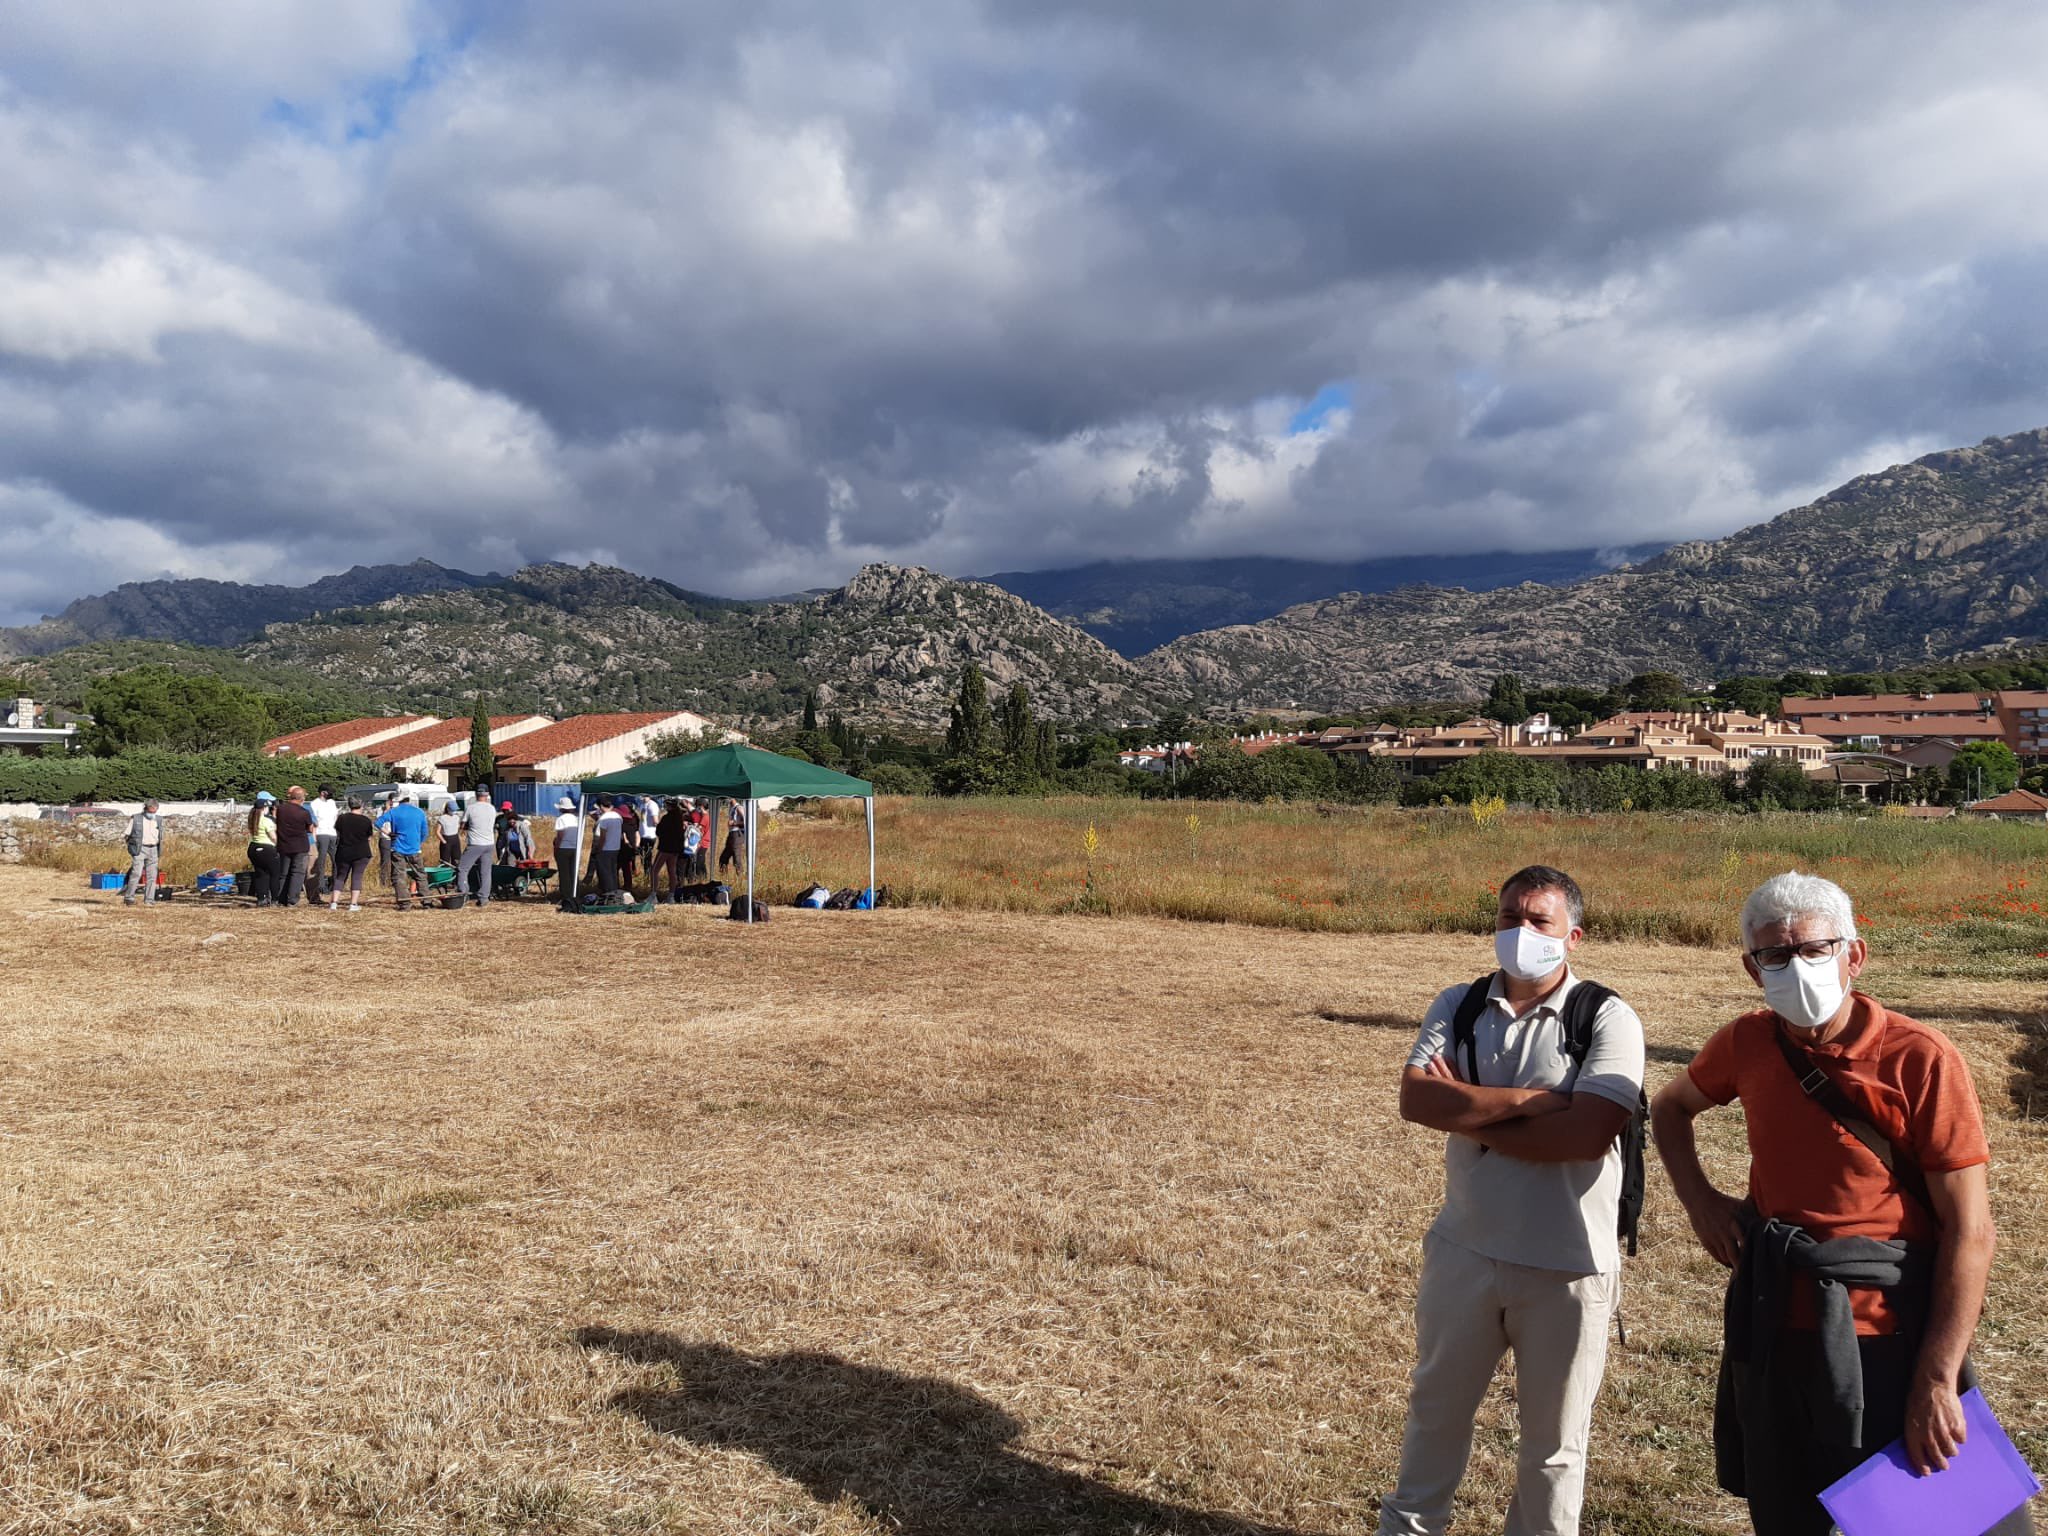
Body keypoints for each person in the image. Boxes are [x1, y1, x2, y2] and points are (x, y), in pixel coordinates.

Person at [1649, 872, 2031, 1536]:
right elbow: (1671, 1107)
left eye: (1814, 949)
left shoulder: (1922, 1059)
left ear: (1853, 955)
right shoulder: (1747, 1043)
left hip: (1887, 1336)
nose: (1796, 967)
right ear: (1752, 967)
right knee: (1787, 1516)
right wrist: (1701, 1202)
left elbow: (1971, 1232)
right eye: (1776, 955)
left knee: (1928, 1521)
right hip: (1773, 1327)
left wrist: (1936, 1380)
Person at [1379, 865, 1645, 1536]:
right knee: (1434, 1413)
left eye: (1538, 921)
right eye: (1508, 918)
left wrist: (1465, 1110)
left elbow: (1588, 1133)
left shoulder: (1608, 1018)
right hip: (1465, 1250)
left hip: (1569, 1267)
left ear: (1573, 936)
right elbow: (1416, 1100)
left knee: (1555, 1449)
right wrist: (1533, 1104)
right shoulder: (1459, 1004)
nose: (1520, 932)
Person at [376, 791, 430, 911]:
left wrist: (389, 833)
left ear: (398, 801)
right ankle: (427, 901)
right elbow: (425, 832)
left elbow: (378, 822)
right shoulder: (419, 812)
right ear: (409, 800)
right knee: (420, 875)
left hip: (398, 848)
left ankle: (405, 904)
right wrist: (418, 842)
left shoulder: (394, 812)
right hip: (414, 849)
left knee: (399, 876)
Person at [328, 795, 376, 913]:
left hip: (344, 851)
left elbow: (338, 832)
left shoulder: (342, 818)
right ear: (361, 805)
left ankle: (334, 902)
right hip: (361, 852)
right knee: (357, 876)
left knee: (340, 876)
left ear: (349, 805)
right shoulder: (366, 820)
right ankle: (353, 904)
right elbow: (369, 836)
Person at [274, 784, 315, 907]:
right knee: (297, 873)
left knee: (283, 873)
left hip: (283, 845)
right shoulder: (304, 812)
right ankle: (292, 899)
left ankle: (281, 899)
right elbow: (310, 829)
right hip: (300, 846)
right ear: (301, 798)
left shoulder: (280, 809)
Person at [122, 798, 165, 906]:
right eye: (151, 811)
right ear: (146, 808)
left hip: (154, 849)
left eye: (154, 811)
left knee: (152, 876)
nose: (152, 813)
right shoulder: (136, 818)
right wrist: (132, 848)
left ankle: (149, 900)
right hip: (140, 849)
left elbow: (161, 836)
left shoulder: (159, 820)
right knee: (136, 873)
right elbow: (126, 835)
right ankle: (129, 898)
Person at [460, 788, 499, 906]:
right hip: (489, 843)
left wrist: (465, 828)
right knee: (486, 871)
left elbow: (463, 824)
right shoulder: (492, 808)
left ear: (476, 795)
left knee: (463, 868)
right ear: (487, 795)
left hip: (475, 843)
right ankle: (484, 898)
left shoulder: (471, 808)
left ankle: (463, 894)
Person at [246, 792, 282, 907]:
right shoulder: (266, 821)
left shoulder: (252, 819)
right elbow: (273, 836)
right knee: (275, 875)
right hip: (267, 849)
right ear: (264, 808)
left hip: (253, 848)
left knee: (260, 874)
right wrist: (279, 846)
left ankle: (261, 898)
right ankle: (275, 900)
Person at [652, 797, 688, 900]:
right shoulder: (679, 818)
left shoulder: (666, 818)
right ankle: (671, 895)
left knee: (654, 870)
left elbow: (659, 832)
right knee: (672, 871)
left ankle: (653, 895)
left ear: (668, 806)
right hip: (675, 849)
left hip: (665, 848)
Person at [309, 783, 340, 898]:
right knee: (320, 862)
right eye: (328, 792)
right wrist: (314, 837)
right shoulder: (314, 804)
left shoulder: (332, 803)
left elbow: (335, 817)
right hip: (321, 834)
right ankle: (320, 885)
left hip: (332, 833)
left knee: (336, 860)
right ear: (322, 793)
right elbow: (314, 822)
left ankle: (336, 884)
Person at [552, 795, 583, 911]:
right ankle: (576, 895)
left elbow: (560, 836)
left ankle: (567, 897)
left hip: (564, 848)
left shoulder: (561, 819)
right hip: (575, 848)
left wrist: (556, 848)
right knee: (574, 873)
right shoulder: (576, 819)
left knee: (564, 874)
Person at [592, 794, 624, 901]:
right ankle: (615, 892)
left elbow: (602, 837)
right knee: (613, 872)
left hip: (605, 849)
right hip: (616, 848)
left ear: (601, 806)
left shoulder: (603, 819)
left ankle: (609, 895)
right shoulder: (618, 816)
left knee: (605, 874)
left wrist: (598, 849)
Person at [719, 800, 747, 875]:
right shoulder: (732, 808)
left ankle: (740, 879)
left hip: (737, 834)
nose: (726, 799)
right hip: (731, 834)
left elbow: (746, 822)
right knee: (723, 858)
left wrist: (735, 823)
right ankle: (724, 879)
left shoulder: (739, 808)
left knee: (736, 858)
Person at [437, 797, 463, 868]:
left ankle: (456, 876)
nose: (454, 811)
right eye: (453, 810)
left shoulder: (457, 817)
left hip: (455, 839)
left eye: (455, 810)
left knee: (457, 859)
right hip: (446, 839)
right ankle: (445, 875)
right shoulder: (442, 818)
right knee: (445, 861)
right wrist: (443, 841)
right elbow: (438, 832)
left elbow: (459, 828)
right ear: (448, 809)